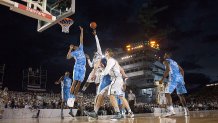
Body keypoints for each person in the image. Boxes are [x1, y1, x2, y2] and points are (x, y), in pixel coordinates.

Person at [101, 48, 133, 120]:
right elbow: (120, 69)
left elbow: (106, 72)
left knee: (110, 94)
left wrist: (101, 72)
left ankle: (117, 113)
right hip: (119, 80)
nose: (105, 54)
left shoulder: (110, 60)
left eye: (105, 52)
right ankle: (130, 112)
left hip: (116, 79)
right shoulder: (114, 61)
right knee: (121, 97)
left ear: (107, 53)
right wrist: (125, 76)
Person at [159, 52, 189, 117]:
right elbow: (182, 70)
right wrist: (182, 79)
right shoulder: (175, 62)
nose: (164, 56)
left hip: (173, 78)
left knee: (167, 93)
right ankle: (186, 111)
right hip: (180, 79)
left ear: (168, 56)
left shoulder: (165, 61)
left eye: (165, 54)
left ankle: (171, 111)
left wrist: (162, 79)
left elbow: (168, 70)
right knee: (180, 95)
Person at [67, 26, 86, 95]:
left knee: (79, 82)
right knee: (74, 81)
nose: (77, 46)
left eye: (76, 46)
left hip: (83, 67)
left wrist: (82, 31)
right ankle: (70, 95)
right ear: (74, 48)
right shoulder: (73, 53)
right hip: (77, 67)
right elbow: (68, 57)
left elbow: (81, 38)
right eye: (75, 46)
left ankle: (74, 96)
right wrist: (70, 49)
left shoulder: (81, 48)